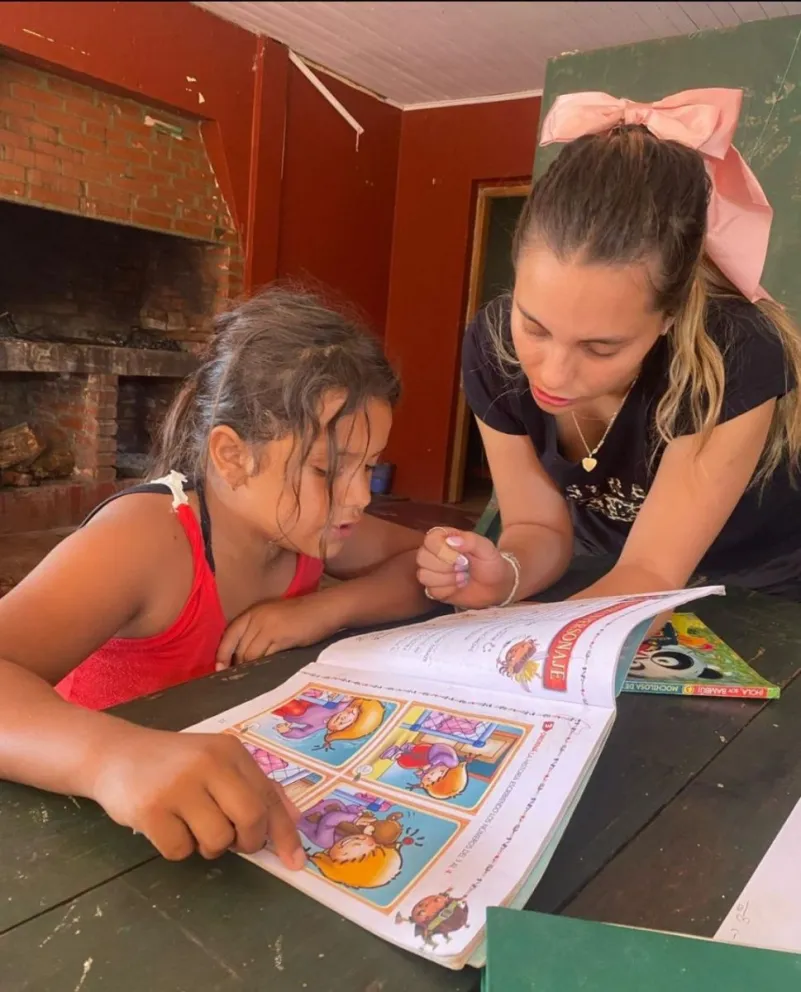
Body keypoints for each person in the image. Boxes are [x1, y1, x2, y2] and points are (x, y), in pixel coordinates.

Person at [0, 287, 429, 867]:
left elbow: (423, 564)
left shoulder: (310, 528)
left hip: (228, 820)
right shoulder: (151, 538)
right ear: (232, 456)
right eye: (328, 469)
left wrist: (324, 609)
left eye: (370, 466)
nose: (358, 497)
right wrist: (113, 756)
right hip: (91, 836)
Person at [417, 87, 801, 610]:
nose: (553, 374)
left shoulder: (736, 353)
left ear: (669, 316)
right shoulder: (491, 346)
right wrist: (504, 576)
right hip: (610, 575)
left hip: (764, 594)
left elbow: (652, 568)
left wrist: (521, 643)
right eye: (534, 327)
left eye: (600, 348)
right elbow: (535, 526)